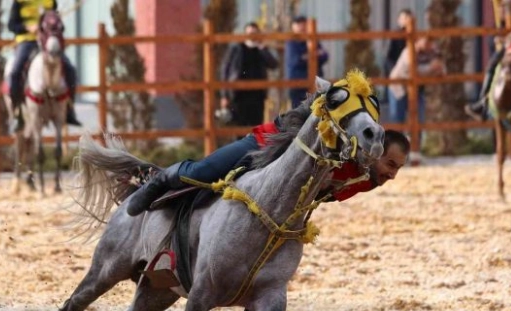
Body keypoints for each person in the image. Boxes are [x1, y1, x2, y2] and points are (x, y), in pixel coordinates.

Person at [126, 107, 409, 216]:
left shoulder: (366, 181)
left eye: (398, 168)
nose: (392, 175)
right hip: (265, 146)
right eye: (391, 164)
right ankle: (159, 180)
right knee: (205, 172)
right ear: (376, 151)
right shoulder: (344, 144)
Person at [7, 0, 81, 129]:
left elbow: (58, 24)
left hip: (47, 43)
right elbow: (11, 25)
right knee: (15, 72)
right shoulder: (19, 1)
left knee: (70, 69)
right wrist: (27, 28)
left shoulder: (50, 1)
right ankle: (17, 113)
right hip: (27, 42)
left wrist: (55, 25)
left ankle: (69, 109)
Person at [220, 22, 279, 127]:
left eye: (254, 33)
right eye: (249, 33)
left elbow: (273, 64)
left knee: (256, 128)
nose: (252, 36)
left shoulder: (261, 49)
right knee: (239, 128)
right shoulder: (236, 49)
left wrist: (263, 49)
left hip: (257, 95)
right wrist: (224, 95)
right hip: (239, 95)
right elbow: (225, 70)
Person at [388, 37, 445, 124]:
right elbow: (413, 71)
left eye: (430, 42)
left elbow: (441, 69)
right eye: (426, 41)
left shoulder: (431, 53)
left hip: (416, 89)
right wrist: (431, 68)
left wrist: (437, 68)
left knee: (419, 121)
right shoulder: (409, 52)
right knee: (398, 122)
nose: (428, 45)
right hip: (398, 89)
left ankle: (416, 138)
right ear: (418, 40)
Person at [284, 15, 329, 108]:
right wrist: (314, 55)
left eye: (304, 27)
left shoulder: (313, 40)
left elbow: (324, 56)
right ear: (294, 28)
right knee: (299, 114)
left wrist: (307, 56)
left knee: (317, 113)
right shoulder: (291, 43)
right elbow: (296, 61)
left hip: (316, 85)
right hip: (298, 85)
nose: (302, 29)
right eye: (299, 27)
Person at [384, 8, 413, 77]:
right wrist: (394, 70)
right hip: (395, 68)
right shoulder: (394, 35)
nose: (406, 21)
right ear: (399, 20)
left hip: (410, 69)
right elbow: (388, 57)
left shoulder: (414, 36)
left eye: (408, 18)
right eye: (404, 18)